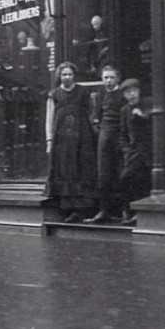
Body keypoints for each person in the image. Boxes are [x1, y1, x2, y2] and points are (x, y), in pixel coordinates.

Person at [44, 62, 98, 223]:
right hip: (62, 141)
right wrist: (49, 140)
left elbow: (92, 111)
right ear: (59, 76)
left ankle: (83, 210)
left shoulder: (83, 92)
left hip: (82, 139)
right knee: (65, 170)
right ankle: (69, 210)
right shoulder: (54, 95)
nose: (67, 77)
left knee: (82, 169)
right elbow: (49, 119)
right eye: (64, 75)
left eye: (70, 74)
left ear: (74, 76)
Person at [84, 66, 126, 224]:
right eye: (105, 78)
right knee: (103, 175)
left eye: (111, 78)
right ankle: (104, 211)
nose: (108, 81)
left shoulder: (123, 94)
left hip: (120, 136)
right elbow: (98, 116)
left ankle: (125, 211)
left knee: (122, 174)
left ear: (118, 79)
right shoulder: (100, 94)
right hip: (105, 136)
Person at [117, 78, 152, 225]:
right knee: (126, 178)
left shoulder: (148, 103)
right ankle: (127, 211)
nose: (131, 94)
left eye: (134, 91)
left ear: (139, 91)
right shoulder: (124, 110)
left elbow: (154, 125)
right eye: (128, 92)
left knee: (145, 181)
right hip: (133, 152)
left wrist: (142, 117)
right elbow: (123, 133)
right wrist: (126, 149)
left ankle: (141, 213)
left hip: (149, 151)